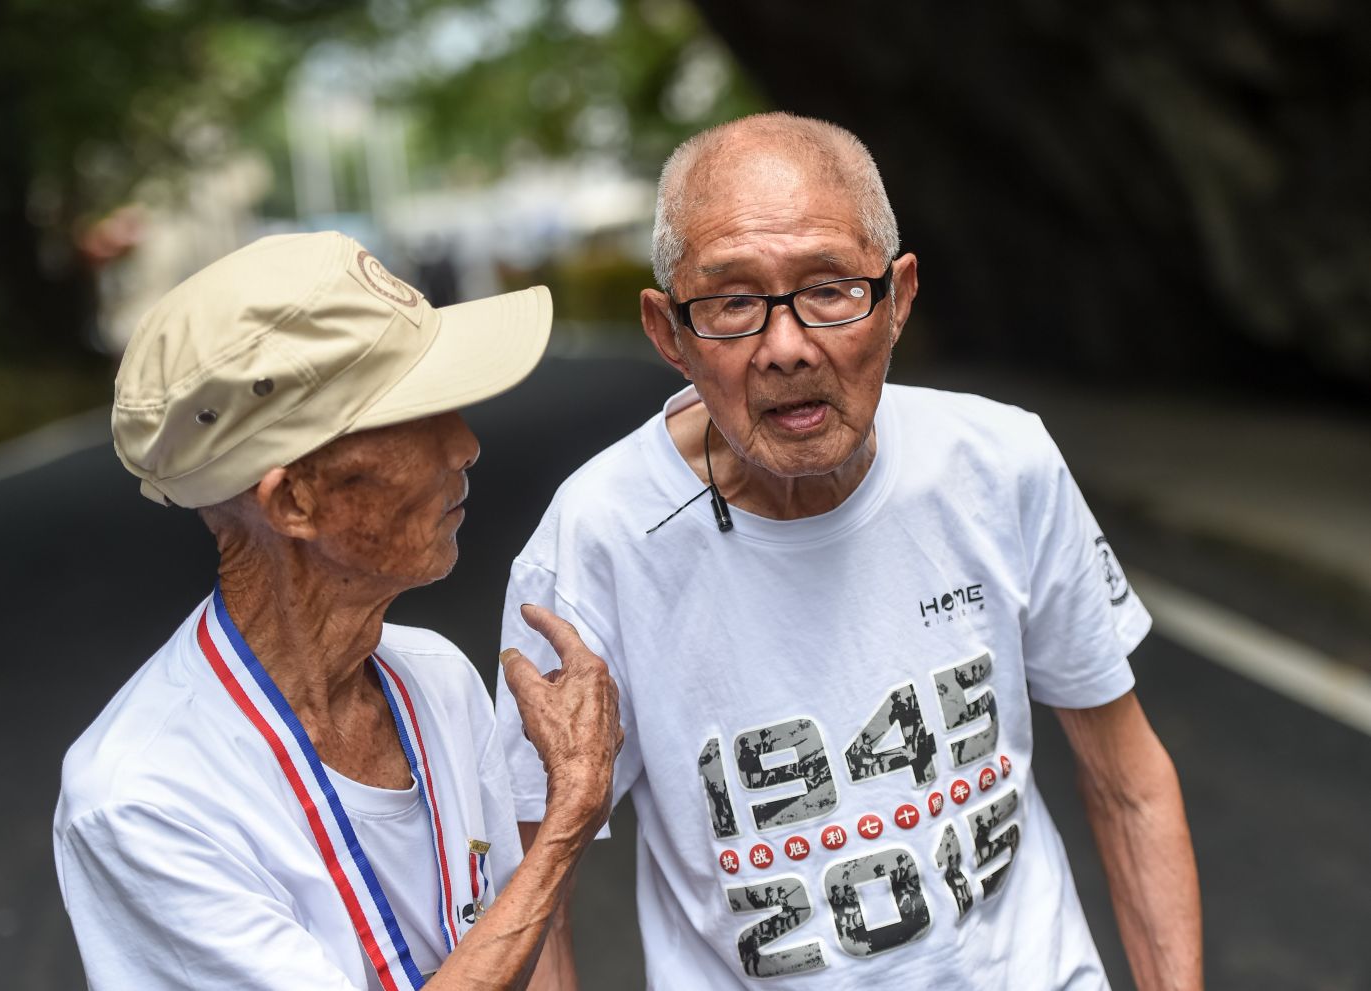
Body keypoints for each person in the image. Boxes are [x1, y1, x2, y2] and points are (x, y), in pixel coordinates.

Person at [493, 114, 1202, 988]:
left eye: (830, 289)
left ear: (899, 297)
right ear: (669, 333)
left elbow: (1128, 780)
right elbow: (539, 888)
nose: (786, 347)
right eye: (733, 303)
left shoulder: (999, 463)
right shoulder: (592, 542)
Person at [53, 231, 623, 990]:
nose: (465, 444)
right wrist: (565, 819)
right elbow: (533, 893)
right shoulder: (142, 797)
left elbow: (523, 937)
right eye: (418, 418)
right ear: (293, 499)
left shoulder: (437, 680)